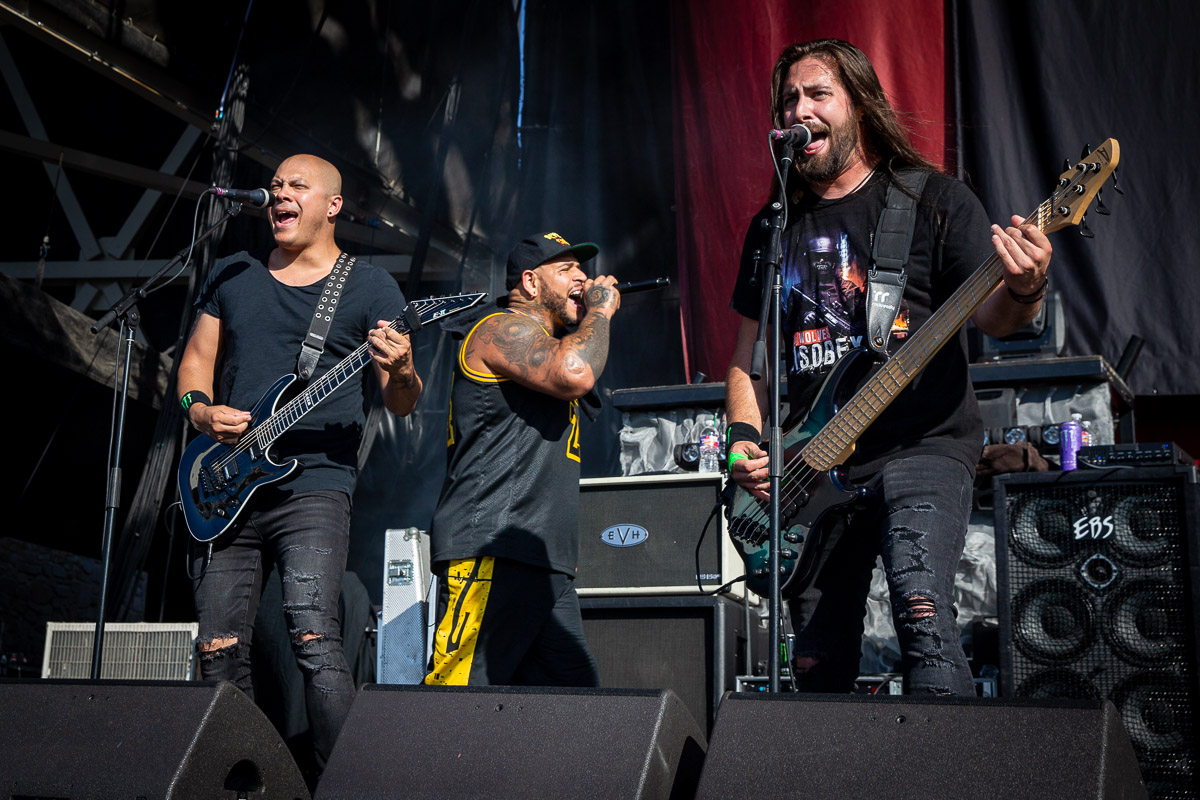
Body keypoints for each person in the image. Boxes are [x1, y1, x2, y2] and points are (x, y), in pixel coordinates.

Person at [725, 39, 1052, 695]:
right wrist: (742, 447)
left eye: (819, 94)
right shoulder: (773, 227)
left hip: (921, 444)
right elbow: (745, 363)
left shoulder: (934, 201)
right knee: (815, 663)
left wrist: (1026, 287)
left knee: (923, 616)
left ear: (862, 108)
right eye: (790, 98)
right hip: (810, 468)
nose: (800, 109)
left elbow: (993, 318)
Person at [177, 154, 422, 773]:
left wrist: (403, 369)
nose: (279, 196)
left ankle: (338, 784)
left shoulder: (368, 287)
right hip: (225, 483)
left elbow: (402, 400)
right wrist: (200, 412)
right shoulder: (233, 272)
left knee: (314, 635)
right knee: (218, 647)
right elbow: (194, 362)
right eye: (276, 186)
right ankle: (238, 783)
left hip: (314, 485)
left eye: (296, 187)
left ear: (331, 206)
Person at [424, 231, 620, 687]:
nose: (583, 278)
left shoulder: (549, 346)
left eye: (583, 270)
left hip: (543, 559)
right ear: (531, 283)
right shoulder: (498, 329)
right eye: (567, 270)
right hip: (492, 546)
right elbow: (576, 374)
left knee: (571, 709)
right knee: (455, 701)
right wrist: (601, 311)